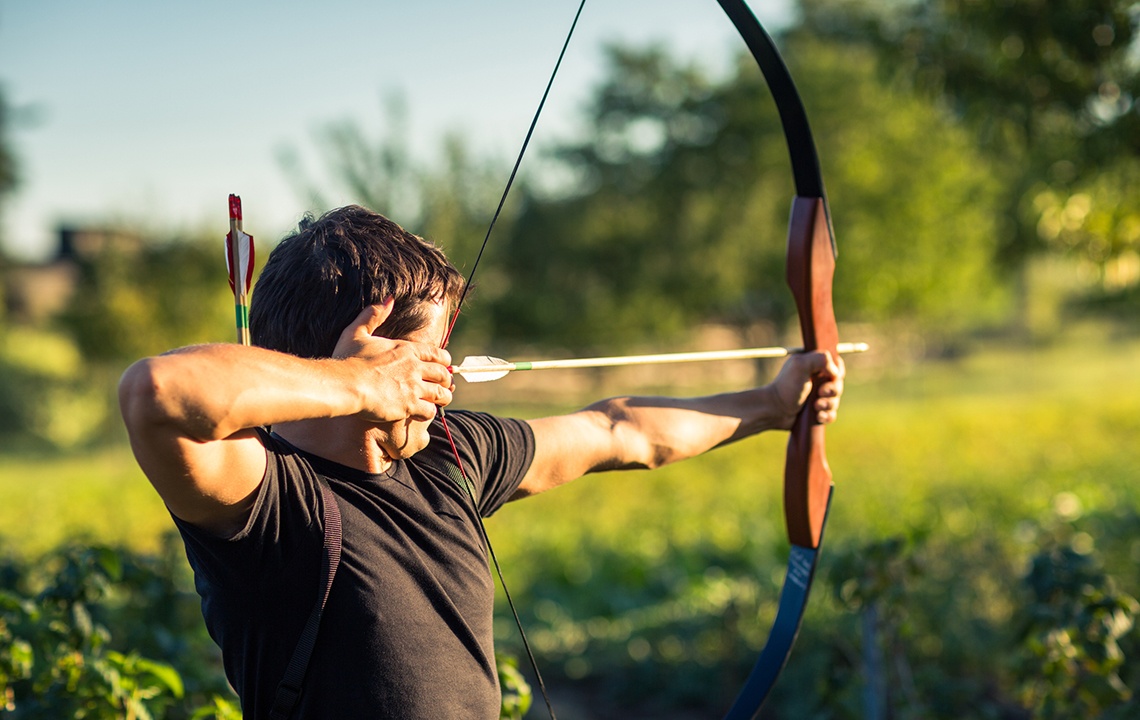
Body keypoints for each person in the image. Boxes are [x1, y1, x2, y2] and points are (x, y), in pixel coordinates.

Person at [118, 205, 844, 719]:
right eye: (432, 355)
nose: (448, 375)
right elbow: (156, 391)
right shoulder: (267, 498)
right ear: (376, 351)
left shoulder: (449, 454)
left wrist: (774, 407)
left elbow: (620, 431)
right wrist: (357, 387)